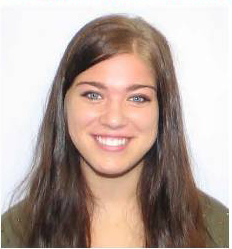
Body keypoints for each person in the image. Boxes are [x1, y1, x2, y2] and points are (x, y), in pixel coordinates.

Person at [1, 14, 228, 248]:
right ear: (62, 104)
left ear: (163, 112)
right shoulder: (15, 233)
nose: (114, 119)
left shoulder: (218, 229)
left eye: (137, 98)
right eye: (93, 95)